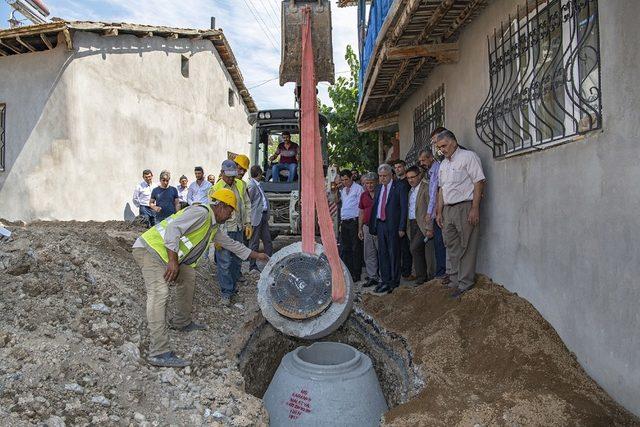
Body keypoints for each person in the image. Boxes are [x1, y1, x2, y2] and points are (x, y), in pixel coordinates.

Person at [132, 188, 269, 367]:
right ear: (220, 206)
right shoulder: (201, 213)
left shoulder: (212, 225)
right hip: (150, 250)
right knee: (159, 294)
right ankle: (159, 352)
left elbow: (231, 244)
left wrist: (257, 256)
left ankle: (181, 322)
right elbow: (173, 228)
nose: (230, 216)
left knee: (188, 275)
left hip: (165, 255)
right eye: (230, 211)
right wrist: (173, 261)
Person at [435, 130, 486, 298]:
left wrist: (475, 207)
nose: (442, 149)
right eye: (439, 147)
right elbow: (442, 189)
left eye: (444, 145)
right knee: (451, 244)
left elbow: (478, 181)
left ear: (454, 142)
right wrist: (439, 211)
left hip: (465, 207)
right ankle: (455, 280)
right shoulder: (443, 164)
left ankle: (465, 284)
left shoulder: (468, 157)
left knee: (467, 245)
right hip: (448, 209)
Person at [212, 160, 252, 305]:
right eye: (228, 176)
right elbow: (214, 213)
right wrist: (215, 236)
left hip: (238, 228)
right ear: (222, 173)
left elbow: (247, 204)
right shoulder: (215, 189)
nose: (230, 179)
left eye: (233, 176)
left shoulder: (241, 184)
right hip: (224, 231)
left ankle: (233, 288)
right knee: (224, 262)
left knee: (236, 261)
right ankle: (226, 292)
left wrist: (248, 223)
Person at [369, 164, 408, 294]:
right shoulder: (379, 188)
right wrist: (373, 225)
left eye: (385, 176)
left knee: (394, 253)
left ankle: (394, 282)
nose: (382, 178)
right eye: (380, 176)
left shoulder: (399, 187)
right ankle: (384, 280)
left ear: (391, 175)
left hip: (393, 225)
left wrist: (402, 227)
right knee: (382, 253)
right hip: (380, 224)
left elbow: (403, 208)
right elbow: (376, 207)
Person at [419, 144, 446, 280]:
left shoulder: (437, 169)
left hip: (439, 211)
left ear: (430, 158)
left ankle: (442, 273)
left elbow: (435, 193)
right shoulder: (430, 172)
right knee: (437, 244)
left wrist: (430, 212)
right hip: (436, 212)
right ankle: (441, 272)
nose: (421, 163)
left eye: (423, 160)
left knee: (441, 244)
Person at [406, 166, 435, 285]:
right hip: (412, 224)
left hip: (422, 224)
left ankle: (426, 277)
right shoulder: (411, 191)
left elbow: (430, 207)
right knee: (418, 251)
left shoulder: (426, 188)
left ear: (419, 176)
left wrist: (429, 227)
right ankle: (422, 278)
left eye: (412, 177)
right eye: (408, 178)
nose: (410, 180)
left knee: (414, 248)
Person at [339, 170, 364, 282]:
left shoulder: (358, 189)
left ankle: (356, 274)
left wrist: (360, 227)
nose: (345, 182)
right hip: (345, 221)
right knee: (345, 248)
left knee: (356, 248)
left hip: (354, 221)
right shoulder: (343, 190)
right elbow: (341, 204)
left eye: (346, 179)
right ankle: (348, 272)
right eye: (343, 180)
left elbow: (361, 208)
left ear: (351, 178)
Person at [247, 165, 273, 272]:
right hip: (256, 217)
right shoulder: (252, 186)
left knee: (267, 240)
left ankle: (270, 263)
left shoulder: (258, 185)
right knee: (254, 242)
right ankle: (252, 266)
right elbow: (249, 202)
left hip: (262, 216)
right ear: (259, 174)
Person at [358, 172, 379, 288]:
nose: (369, 185)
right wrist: (360, 228)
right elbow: (361, 212)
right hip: (366, 227)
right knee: (369, 253)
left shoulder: (381, 193)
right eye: (367, 183)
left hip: (379, 226)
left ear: (376, 182)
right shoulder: (363, 195)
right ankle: (372, 277)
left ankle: (383, 276)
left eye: (371, 183)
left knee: (382, 251)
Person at [393, 160, 413, 280]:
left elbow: (405, 205)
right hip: (397, 220)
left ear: (404, 167)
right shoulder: (397, 183)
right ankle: (404, 270)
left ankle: (407, 272)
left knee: (406, 248)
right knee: (401, 248)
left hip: (405, 221)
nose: (397, 169)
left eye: (399, 167)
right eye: (395, 167)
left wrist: (402, 226)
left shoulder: (406, 183)